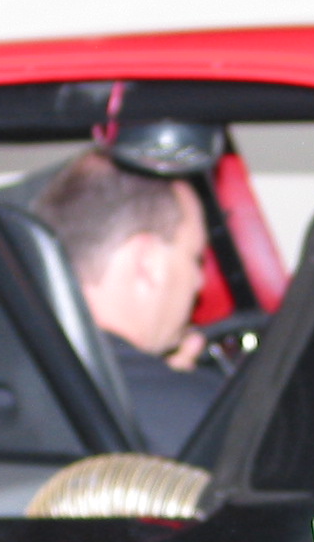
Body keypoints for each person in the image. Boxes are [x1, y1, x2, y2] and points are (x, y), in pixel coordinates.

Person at [34, 150, 223, 456]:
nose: (198, 282)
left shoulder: (3, 384)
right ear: (148, 263)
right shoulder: (203, 414)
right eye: (195, 258)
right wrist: (179, 389)